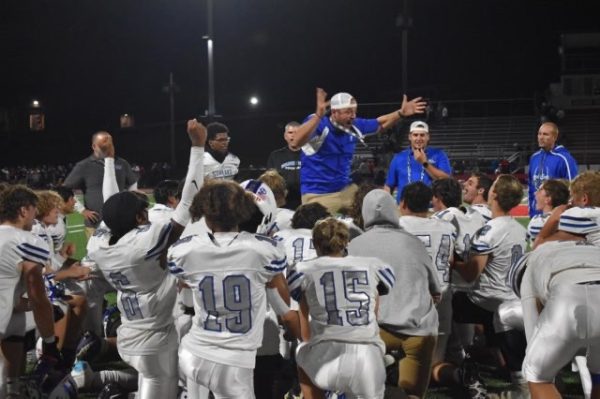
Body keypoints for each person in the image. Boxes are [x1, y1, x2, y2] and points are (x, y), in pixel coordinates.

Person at [87, 119, 207, 399]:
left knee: (149, 382)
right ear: (139, 218)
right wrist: (197, 147)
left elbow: (111, 204)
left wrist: (109, 160)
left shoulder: (101, 243)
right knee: (163, 387)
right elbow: (188, 201)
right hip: (154, 339)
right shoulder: (144, 245)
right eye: (144, 210)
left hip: (129, 332)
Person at [167, 180, 297, 398]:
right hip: (233, 361)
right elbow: (280, 300)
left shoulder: (185, 250)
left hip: (193, 352)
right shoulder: (266, 250)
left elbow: (186, 297)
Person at [348, 189, 440, 399]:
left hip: (373, 332)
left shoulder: (354, 245)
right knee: (412, 394)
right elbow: (437, 290)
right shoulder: (413, 242)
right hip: (417, 331)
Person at [289, 217, 394, 399]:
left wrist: (308, 343)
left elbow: (304, 323)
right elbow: (374, 311)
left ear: (315, 243)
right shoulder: (373, 265)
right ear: (346, 241)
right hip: (368, 358)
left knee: (301, 353)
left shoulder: (304, 269)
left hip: (327, 359)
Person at [452, 174, 529, 396]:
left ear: (493, 194)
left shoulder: (490, 230)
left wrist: (454, 263)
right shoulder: (518, 229)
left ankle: (457, 357)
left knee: (449, 300)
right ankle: (503, 363)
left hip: (488, 300)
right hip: (511, 296)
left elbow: (471, 273)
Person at [295, 88, 427, 214]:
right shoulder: (319, 124)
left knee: (378, 210)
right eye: (348, 112)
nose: (353, 116)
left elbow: (380, 124)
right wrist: (318, 116)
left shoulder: (354, 125)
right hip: (318, 194)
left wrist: (400, 113)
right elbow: (296, 141)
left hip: (346, 189)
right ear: (334, 113)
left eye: (354, 111)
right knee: (323, 233)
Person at [509, 240, 600, 399]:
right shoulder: (588, 247)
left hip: (568, 297)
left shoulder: (531, 268)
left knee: (536, 375)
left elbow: (532, 337)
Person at [0, 185, 63, 397]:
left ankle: (12, 384)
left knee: (15, 319)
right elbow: (37, 297)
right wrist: (49, 342)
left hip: (7, 321)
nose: (36, 214)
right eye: (34, 208)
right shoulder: (25, 242)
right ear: (24, 210)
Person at [63, 131, 138, 237]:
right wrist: (82, 210)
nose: (107, 147)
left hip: (120, 221)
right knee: (96, 253)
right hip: (95, 224)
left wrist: (131, 202)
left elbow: (132, 182)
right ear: (94, 146)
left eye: (110, 144)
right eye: (104, 144)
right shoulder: (84, 165)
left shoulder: (122, 163)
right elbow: (65, 189)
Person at [385, 121, 452, 203]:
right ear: (410, 137)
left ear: (428, 137)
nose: (419, 138)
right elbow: (388, 186)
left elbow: (446, 181)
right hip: (404, 209)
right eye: (415, 135)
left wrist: (424, 163)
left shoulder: (439, 154)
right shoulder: (398, 157)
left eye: (422, 135)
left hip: (429, 209)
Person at [527, 122, 578, 217]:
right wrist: (531, 212)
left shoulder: (564, 158)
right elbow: (531, 186)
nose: (541, 137)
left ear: (554, 137)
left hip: (556, 216)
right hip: (536, 215)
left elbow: (573, 187)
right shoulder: (534, 158)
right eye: (539, 134)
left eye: (545, 134)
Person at [267, 121, 302, 210]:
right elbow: (270, 181)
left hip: (306, 201)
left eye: (297, 133)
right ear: (285, 136)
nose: (293, 135)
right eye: (290, 132)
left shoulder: (311, 155)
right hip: (283, 205)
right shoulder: (275, 156)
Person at [526, 179, 569, 246]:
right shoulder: (570, 218)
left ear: (548, 199)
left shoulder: (538, 222)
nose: (535, 193)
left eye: (540, 190)